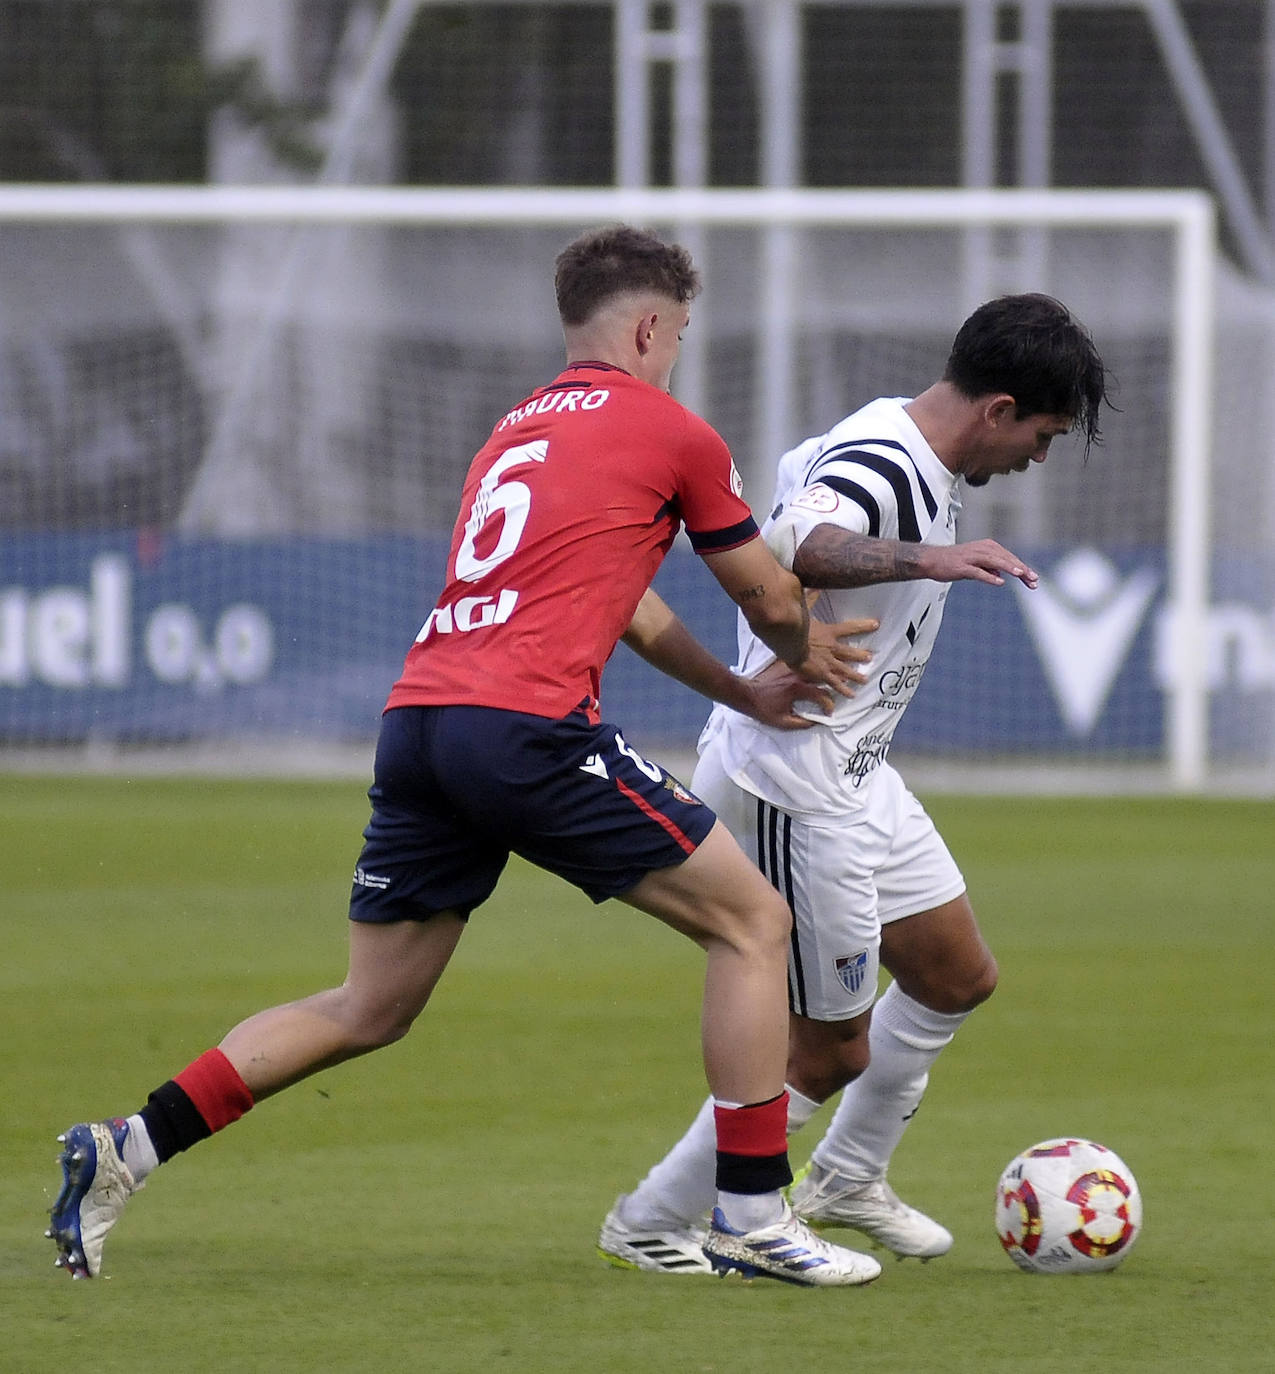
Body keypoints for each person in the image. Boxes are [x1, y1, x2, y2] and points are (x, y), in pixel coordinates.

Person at [46, 223, 889, 1288]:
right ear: (645, 326)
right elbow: (766, 593)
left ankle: (131, 1144)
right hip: (526, 729)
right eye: (674, 333)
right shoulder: (672, 430)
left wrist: (735, 695)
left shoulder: (513, 437)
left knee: (370, 1006)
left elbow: (623, 605)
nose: (674, 352)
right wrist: (799, 646)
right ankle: (755, 1217)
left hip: (422, 724)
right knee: (754, 922)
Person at [598, 292, 1111, 1273]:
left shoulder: (907, 443)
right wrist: (932, 556)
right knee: (829, 1049)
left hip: (857, 772)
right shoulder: (884, 463)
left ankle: (845, 1178)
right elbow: (797, 543)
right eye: (1041, 437)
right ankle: (655, 1220)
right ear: (998, 409)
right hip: (796, 784)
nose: (1035, 461)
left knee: (955, 975)